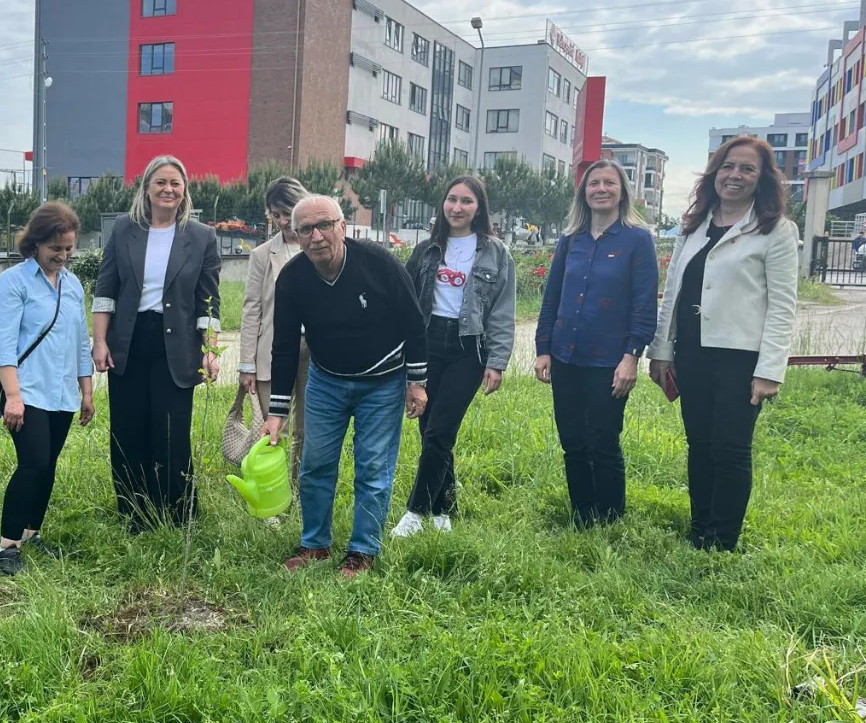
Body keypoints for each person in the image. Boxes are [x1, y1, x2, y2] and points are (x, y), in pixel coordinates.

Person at [259, 195, 429, 577]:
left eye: (324, 225)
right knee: (315, 464)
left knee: (372, 467)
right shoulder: (293, 278)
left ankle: (362, 551)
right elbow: (284, 346)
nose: (316, 236)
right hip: (326, 381)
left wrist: (416, 382)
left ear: (342, 226)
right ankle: (315, 544)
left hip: (382, 381)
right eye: (305, 229)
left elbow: (414, 324)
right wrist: (277, 413)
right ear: (295, 234)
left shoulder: (379, 264)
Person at [648, 136, 798, 551]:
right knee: (700, 444)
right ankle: (700, 528)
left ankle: (723, 538)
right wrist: (660, 351)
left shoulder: (776, 230)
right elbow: (672, 292)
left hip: (740, 359)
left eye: (747, 169)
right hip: (692, 354)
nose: (735, 175)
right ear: (715, 172)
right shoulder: (693, 225)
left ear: (761, 178)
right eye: (729, 166)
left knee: (730, 448)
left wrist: (770, 371)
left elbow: (783, 306)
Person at [92, 155, 221, 531]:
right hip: (129, 342)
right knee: (128, 428)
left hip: (177, 346)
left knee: (171, 431)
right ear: (146, 188)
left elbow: (208, 302)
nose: (168, 189)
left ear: (184, 191)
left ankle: (178, 513)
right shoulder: (122, 229)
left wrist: (210, 349)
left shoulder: (201, 237)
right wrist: (100, 340)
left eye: (175, 183)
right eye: (160, 182)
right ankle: (134, 512)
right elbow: (106, 289)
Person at [391, 176, 516, 537]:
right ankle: (444, 508)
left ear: (479, 208)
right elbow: (407, 301)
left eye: (466, 202)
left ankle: (415, 511)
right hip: (427, 344)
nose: (457, 208)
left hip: (468, 348)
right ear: (443, 205)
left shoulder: (495, 252)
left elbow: (503, 311)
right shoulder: (427, 249)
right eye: (452, 200)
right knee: (429, 428)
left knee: (441, 430)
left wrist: (497, 360)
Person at [535, 160, 658, 529]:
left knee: (603, 439)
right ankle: (582, 514)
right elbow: (551, 297)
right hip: (565, 356)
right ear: (583, 192)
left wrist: (632, 355)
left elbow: (643, 302)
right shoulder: (570, 240)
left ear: (622, 191)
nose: (601, 188)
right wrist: (543, 348)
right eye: (594, 183)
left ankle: (609, 517)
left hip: (608, 360)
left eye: (609, 182)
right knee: (572, 439)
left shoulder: (637, 239)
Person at [0, 202, 95, 575]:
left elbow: (81, 342)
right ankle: (8, 546)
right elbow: (5, 346)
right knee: (32, 465)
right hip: (27, 392)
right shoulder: (13, 282)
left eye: (69, 248)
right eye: (56, 249)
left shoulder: (72, 284)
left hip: (63, 393)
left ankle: (33, 532)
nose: (63, 256)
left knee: (48, 467)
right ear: (35, 243)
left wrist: (87, 392)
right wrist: (14, 397)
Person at [238, 176, 311, 482]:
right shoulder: (261, 255)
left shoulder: (321, 247)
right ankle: (271, 493)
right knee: (272, 428)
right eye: (276, 214)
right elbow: (252, 308)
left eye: (287, 212)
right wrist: (246, 364)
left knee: (306, 430)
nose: (282, 221)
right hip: (272, 351)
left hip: (316, 353)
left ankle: (298, 492)